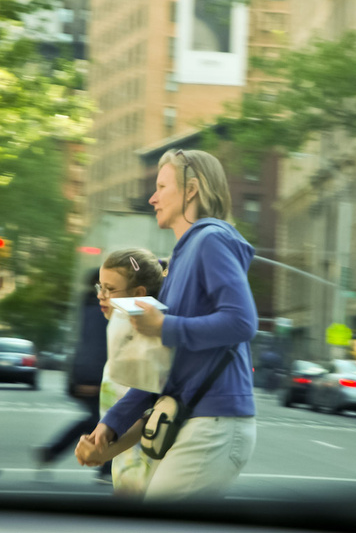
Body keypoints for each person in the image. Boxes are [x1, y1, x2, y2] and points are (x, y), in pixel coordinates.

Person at [83, 148, 259, 501]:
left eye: (161, 187)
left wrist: (163, 325)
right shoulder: (182, 255)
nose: (152, 197)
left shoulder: (212, 239)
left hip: (216, 424)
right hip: (199, 422)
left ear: (191, 189)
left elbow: (242, 321)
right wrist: (111, 424)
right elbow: (165, 370)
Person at [75, 249, 166, 495]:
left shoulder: (146, 348)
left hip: (148, 469)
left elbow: (148, 418)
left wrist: (104, 452)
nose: (101, 296)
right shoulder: (123, 340)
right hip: (126, 469)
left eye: (110, 289)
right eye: (99, 287)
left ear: (138, 294)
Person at [33, 269, 111, 483]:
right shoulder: (98, 308)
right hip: (92, 374)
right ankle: (105, 469)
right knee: (104, 420)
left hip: (88, 371)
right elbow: (96, 346)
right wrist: (92, 379)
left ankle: (51, 453)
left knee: (100, 420)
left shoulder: (90, 304)